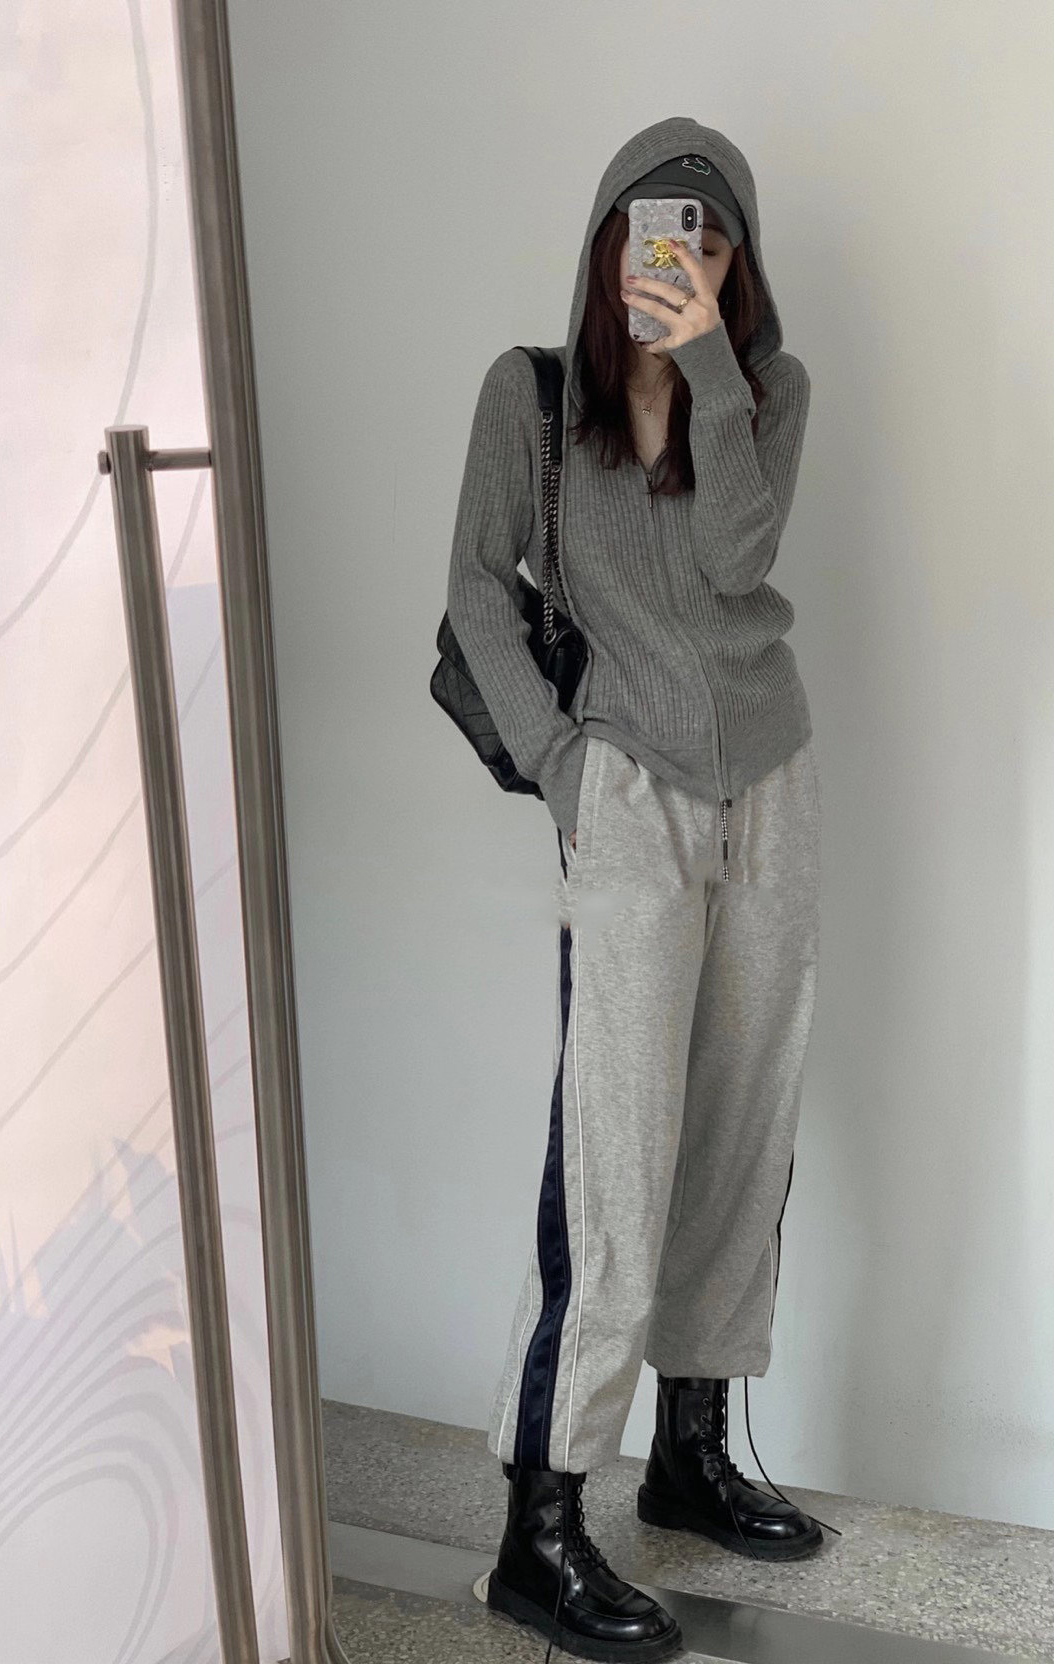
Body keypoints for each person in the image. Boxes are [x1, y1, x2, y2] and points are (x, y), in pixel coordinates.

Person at [445, 113, 829, 1662]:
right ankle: (539, 1532)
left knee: (745, 1123)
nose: (679, 257)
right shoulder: (531, 399)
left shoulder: (770, 394)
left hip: (773, 783)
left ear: (738, 265)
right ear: (608, 243)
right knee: (616, 1155)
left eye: (710, 237)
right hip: (628, 798)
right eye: (655, 229)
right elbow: (475, 584)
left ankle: (690, 1450)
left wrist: (712, 372)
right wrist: (559, 764)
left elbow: (735, 562)